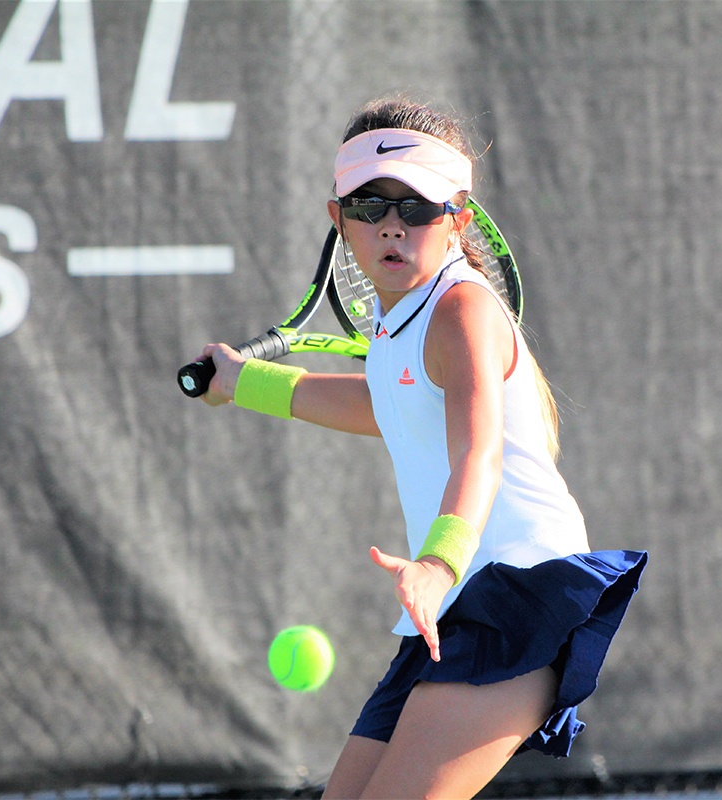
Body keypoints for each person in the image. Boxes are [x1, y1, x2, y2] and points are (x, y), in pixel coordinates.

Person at [194, 97, 647, 799]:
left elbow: (478, 452)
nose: (391, 225)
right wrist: (242, 381)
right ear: (339, 218)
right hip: (447, 606)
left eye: (417, 207)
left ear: (457, 218)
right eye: (369, 205)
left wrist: (437, 563)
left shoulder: (462, 308)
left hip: (516, 591)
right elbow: (388, 406)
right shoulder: (394, 322)